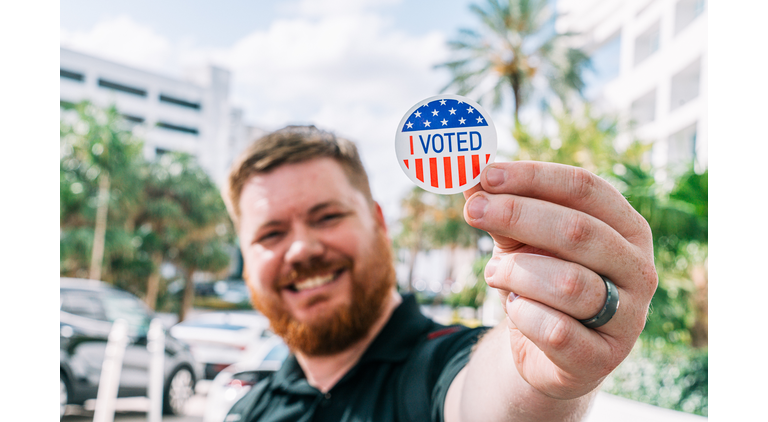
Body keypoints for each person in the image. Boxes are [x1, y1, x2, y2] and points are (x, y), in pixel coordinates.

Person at [221, 125, 657, 422]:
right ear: (244, 255)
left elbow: (487, 395)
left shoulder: (440, 366)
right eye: (271, 233)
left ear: (378, 222)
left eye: (327, 216)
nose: (301, 249)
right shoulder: (247, 410)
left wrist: (544, 375)